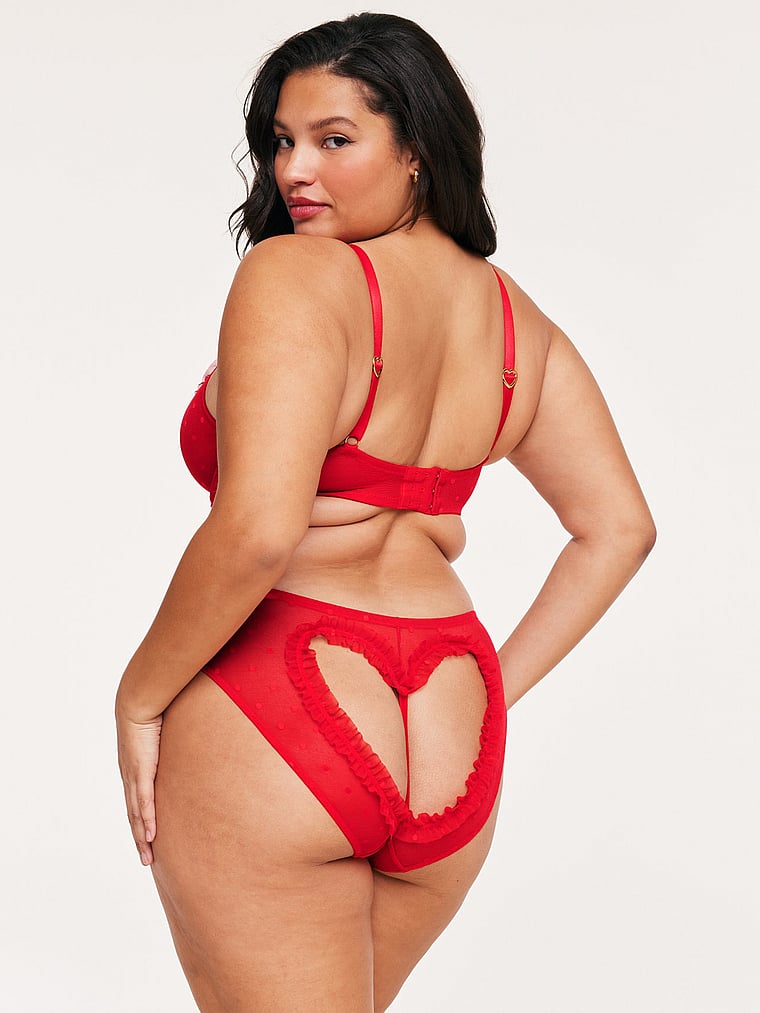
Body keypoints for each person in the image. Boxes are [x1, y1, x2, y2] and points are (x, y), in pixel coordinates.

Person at [115, 12, 655, 1011]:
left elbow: (258, 532)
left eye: (334, 139)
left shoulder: (294, 273)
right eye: (282, 140)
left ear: (417, 148)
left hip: (285, 697)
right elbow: (618, 527)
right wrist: (493, 690)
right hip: (451, 718)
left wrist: (139, 695)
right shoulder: (516, 320)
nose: (294, 170)